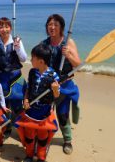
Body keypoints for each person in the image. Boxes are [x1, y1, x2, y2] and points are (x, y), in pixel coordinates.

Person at [42, 14, 81, 154]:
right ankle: (44, 139)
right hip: (48, 86)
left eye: (55, 25)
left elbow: (79, 65)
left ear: (61, 28)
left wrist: (69, 55)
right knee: (46, 114)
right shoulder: (44, 44)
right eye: (50, 24)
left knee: (62, 114)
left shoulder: (68, 43)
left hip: (64, 85)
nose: (52, 27)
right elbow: (39, 65)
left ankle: (67, 140)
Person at [15, 43, 60, 162]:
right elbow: (29, 88)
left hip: (44, 113)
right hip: (31, 111)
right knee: (29, 135)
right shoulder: (32, 72)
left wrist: (55, 88)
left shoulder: (54, 75)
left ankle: (41, 157)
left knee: (42, 136)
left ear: (41, 61)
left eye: (32, 58)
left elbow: (57, 95)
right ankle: (29, 155)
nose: (31, 60)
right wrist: (25, 99)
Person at [0, 17, 27, 138]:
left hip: (15, 79)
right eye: (1, 27)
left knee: (17, 106)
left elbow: (24, 59)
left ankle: (23, 128)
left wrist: (17, 48)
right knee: (5, 105)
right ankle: (8, 128)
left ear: (10, 28)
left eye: (6, 26)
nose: (4, 29)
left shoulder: (16, 41)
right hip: (2, 79)